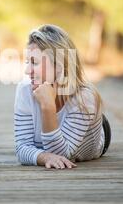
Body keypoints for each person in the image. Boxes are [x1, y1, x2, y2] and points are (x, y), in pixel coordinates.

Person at [14, 24, 111, 169]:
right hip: (57, 136)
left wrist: (47, 106)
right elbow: (21, 148)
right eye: (28, 61)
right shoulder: (25, 90)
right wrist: (43, 157)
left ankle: (97, 121)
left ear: (59, 66)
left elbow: (63, 155)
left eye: (34, 63)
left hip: (91, 137)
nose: (27, 71)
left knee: (89, 117)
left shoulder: (84, 99)